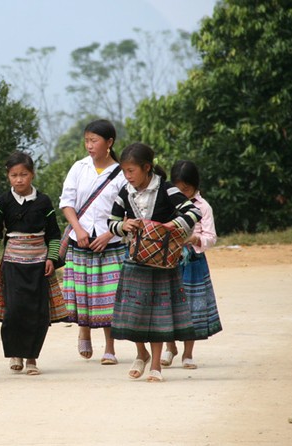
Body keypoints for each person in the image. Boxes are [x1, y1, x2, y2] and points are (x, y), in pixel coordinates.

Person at [108, 143, 201, 382]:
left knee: (158, 314)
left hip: (162, 263)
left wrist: (170, 226)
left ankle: (156, 365)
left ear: (147, 168)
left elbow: (192, 212)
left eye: (131, 171)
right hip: (135, 260)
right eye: (124, 171)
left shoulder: (166, 189)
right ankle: (141, 354)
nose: (128, 176)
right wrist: (123, 226)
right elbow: (112, 221)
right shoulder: (124, 192)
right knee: (134, 312)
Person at [0, 152, 66, 375]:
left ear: (32, 175)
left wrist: (51, 259)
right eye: (14, 175)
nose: (19, 179)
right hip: (11, 264)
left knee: (38, 312)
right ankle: (16, 354)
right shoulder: (3, 201)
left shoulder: (43, 201)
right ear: (8, 176)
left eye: (23, 174)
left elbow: (53, 233)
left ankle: (32, 358)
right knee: (14, 311)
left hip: (39, 265)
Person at [59, 119, 128, 364]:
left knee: (109, 296)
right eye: (87, 140)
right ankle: (84, 331)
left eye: (94, 140)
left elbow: (128, 212)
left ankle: (110, 347)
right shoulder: (79, 168)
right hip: (81, 241)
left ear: (109, 143)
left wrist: (109, 234)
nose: (89, 145)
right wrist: (78, 229)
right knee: (83, 292)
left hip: (110, 244)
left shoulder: (121, 174)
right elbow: (67, 202)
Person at [160, 160, 222, 369]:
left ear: (195, 186)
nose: (182, 194)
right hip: (169, 259)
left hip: (193, 262)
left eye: (186, 189)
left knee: (191, 307)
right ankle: (170, 348)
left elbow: (211, 237)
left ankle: (188, 353)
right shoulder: (168, 204)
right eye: (178, 189)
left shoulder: (203, 207)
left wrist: (195, 239)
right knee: (166, 304)